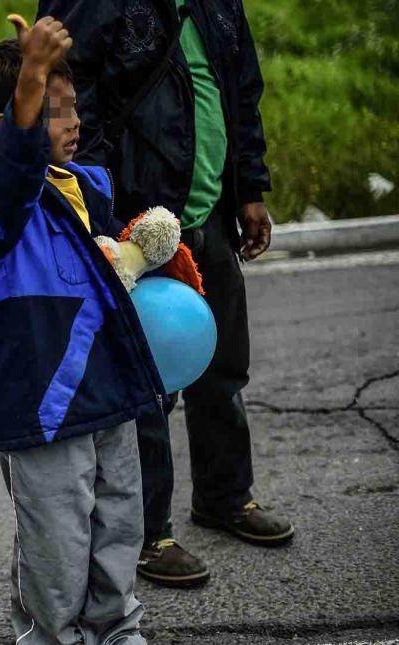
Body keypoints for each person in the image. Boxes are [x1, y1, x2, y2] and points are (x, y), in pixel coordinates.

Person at [36, 0, 293, 588]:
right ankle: (150, 532)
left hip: (209, 215)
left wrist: (249, 187)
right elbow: (72, 101)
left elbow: (240, 89)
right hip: (137, 224)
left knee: (222, 367)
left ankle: (226, 497)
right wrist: (100, 212)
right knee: (147, 388)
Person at [0, 14, 161, 644]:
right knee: (56, 539)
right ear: (4, 126)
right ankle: (51, 635)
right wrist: (30, 73)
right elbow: (11, 178)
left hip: (107, 387)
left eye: (73, 109)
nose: (74, 123)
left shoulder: (88, 186)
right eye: (55, 110)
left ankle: (116, 626)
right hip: (44, 400)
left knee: (119, 519)